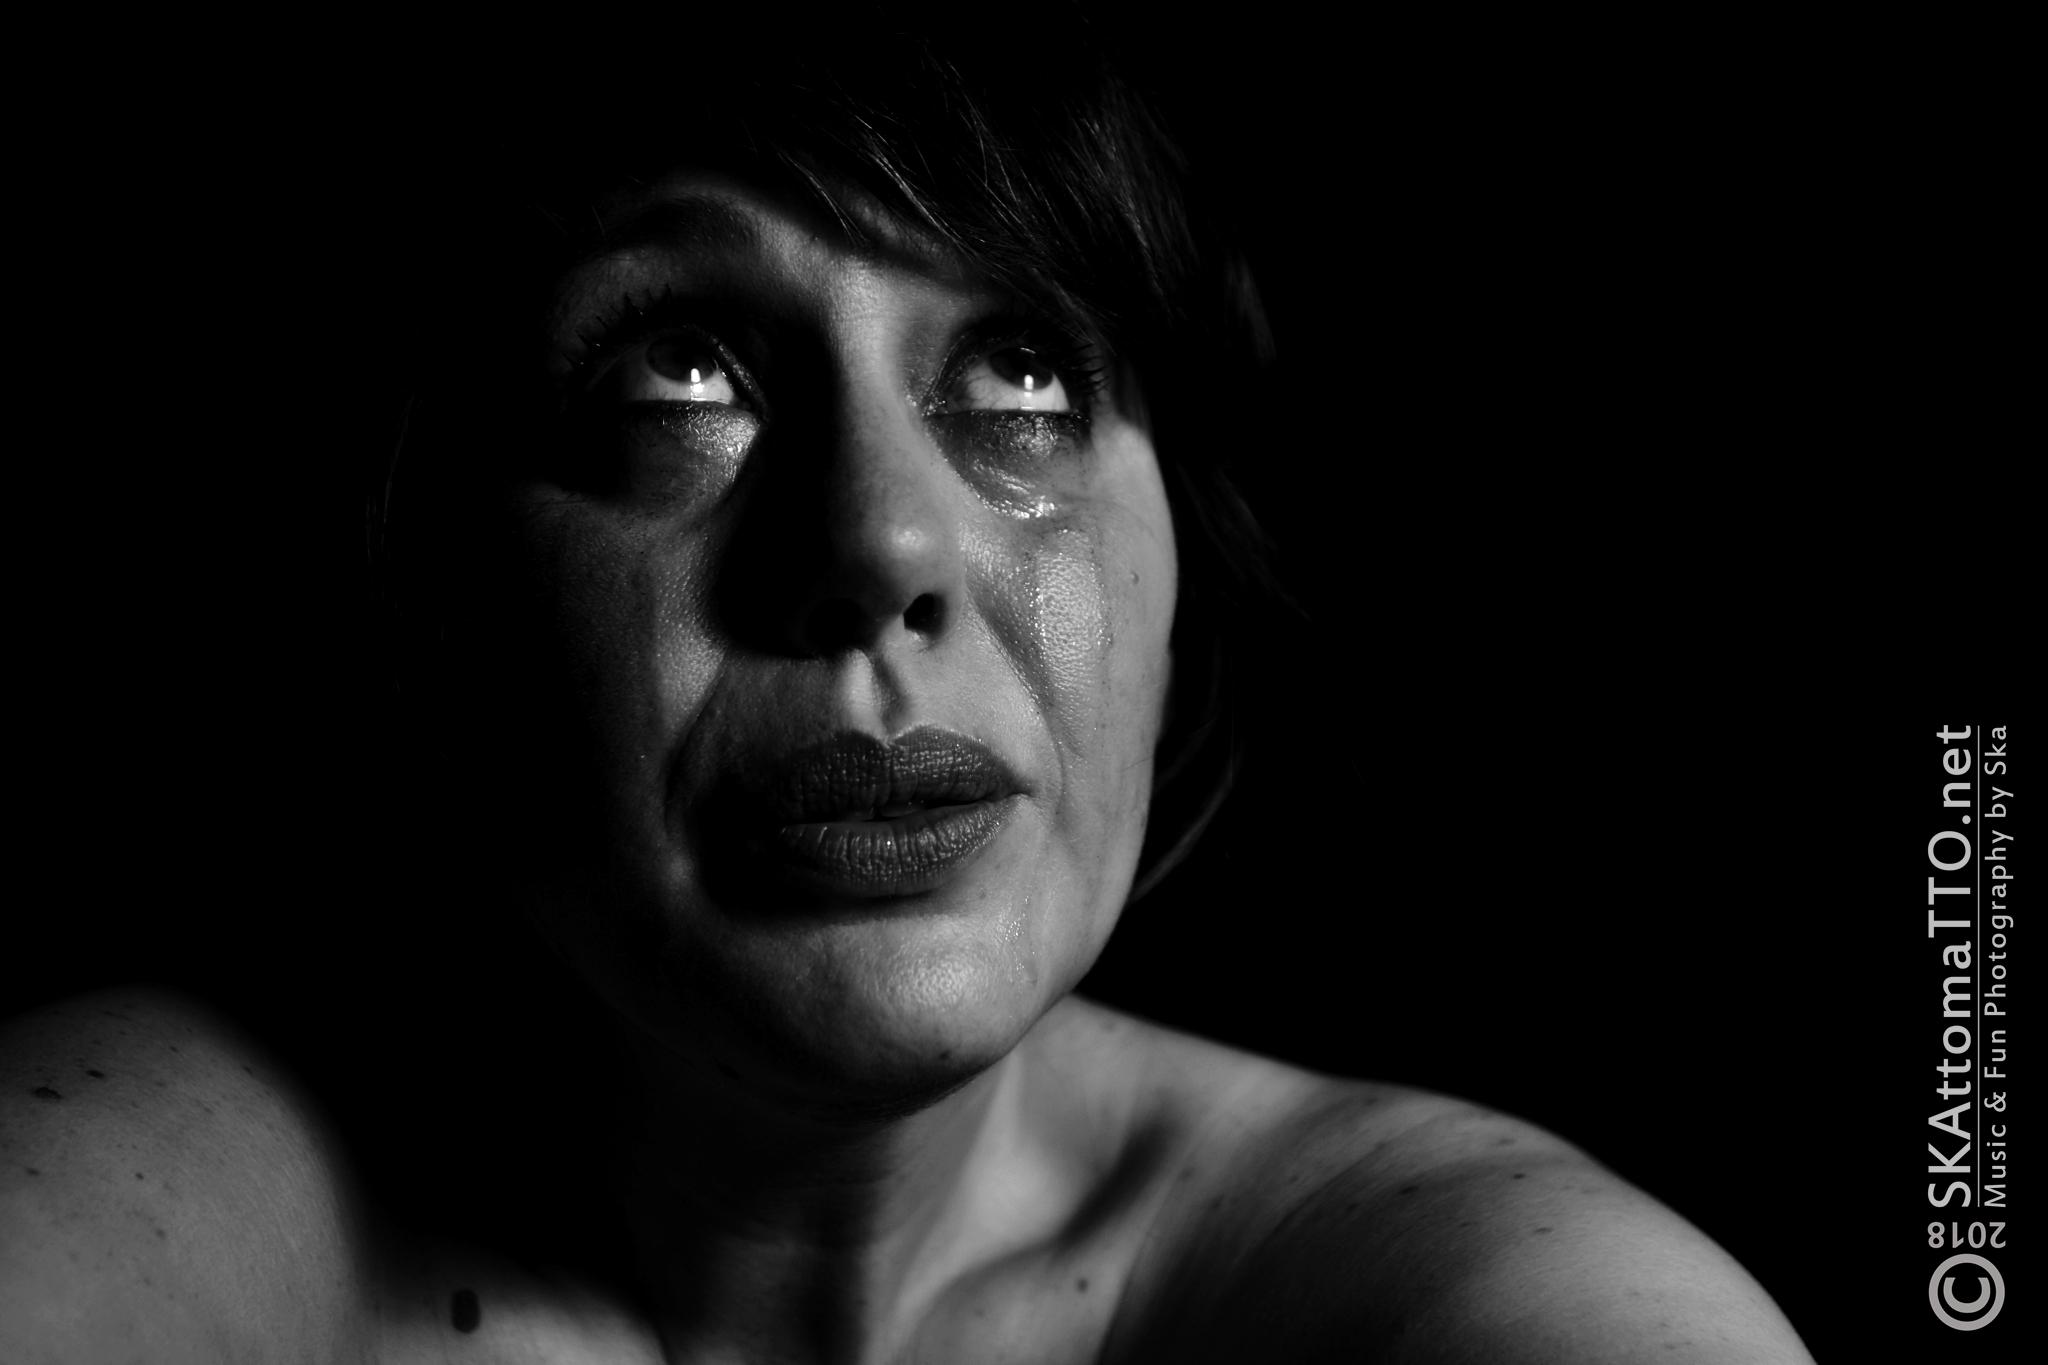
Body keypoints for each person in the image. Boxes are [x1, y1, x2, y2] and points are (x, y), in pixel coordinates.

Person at [1, 24, 1814, 1363]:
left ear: (1177, 569)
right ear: (434, 576)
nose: (883, 542)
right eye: (680, 375)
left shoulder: (1460, 1274)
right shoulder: (145, 1174)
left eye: (1023, 380)